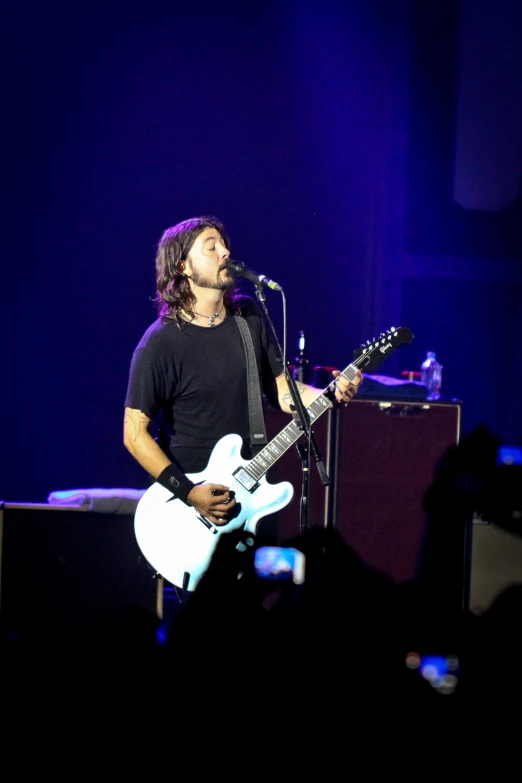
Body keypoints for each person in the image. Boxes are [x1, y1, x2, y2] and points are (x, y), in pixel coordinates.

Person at [123, 215, 362, 528]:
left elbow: (283, 391)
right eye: (211, 248)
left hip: (252, 490)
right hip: (190, 506)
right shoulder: (159, 343)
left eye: (225, 245)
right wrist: (191, 493)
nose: (225, 253)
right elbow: (134, 434)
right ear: (182, 266)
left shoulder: (247, 316)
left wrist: (328, 394)